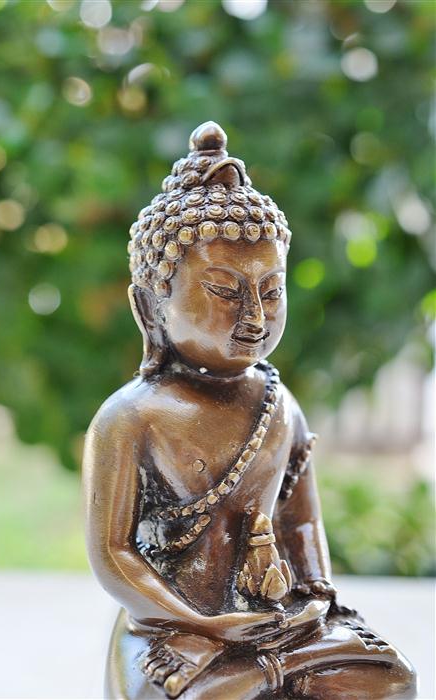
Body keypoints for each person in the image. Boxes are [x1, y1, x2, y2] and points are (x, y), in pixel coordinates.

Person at [83, 122, 417, 699]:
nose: (255, 318)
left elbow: (302, 522)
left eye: (271, 291)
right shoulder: (130, 418)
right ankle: (268, 674)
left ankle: (273, 671)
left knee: (389, 680)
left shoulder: (278, 404)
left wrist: (315, 595)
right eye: (223, 291)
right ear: (151, 307)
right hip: (173, 626)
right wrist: (205, 624)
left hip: (279, 615)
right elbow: (114, 554)